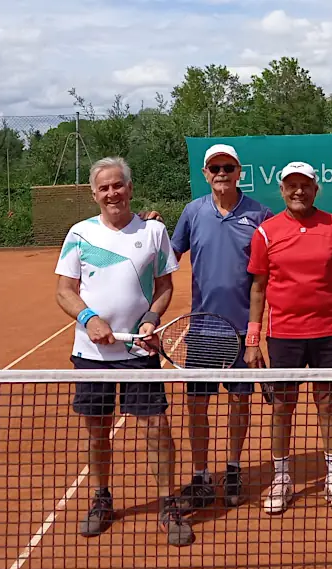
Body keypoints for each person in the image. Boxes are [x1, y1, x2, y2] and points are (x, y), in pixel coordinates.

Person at [55, 157, 192, 547]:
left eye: (118, 185)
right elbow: (64, 290)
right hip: (91, 354)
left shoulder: (153, 231)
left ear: (130, 188)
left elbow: (164, 286)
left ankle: (167, 503)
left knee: (157, 429)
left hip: (139, 353)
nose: (112, 193)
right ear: (94, 194)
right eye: (104, 188)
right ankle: (101, 498)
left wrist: (150, 319)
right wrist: (88, 318)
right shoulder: (80, 233)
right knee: (97, 432)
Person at [245, 161, 332, 515]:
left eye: (305, 185)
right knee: (281, 407)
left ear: (315, 189)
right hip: (284, 335)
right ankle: (281, 478)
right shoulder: (266, 232)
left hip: (329, 333)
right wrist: (252, 338)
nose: (298, 191)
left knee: (328, 404)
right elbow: (258, 287)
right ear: (281, 190)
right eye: (291, 185)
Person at [170, 143, 274, 512]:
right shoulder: (193, 212)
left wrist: (257, 335)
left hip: (242, 333)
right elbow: (168, 255)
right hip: (202, 330)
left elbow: (268, 277)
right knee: (196, 405)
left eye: (228, 168)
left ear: (239, 172)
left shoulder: (260, 214)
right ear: (205, 174)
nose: (221, 174)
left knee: (239, 401)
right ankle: (201, 474)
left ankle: (232, 469)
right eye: (214, 168)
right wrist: (146, 226)